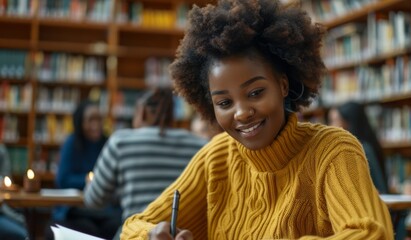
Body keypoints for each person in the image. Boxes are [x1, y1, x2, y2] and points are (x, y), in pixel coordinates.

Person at [121, 0, 394, 239]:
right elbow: (133, 226)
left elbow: (372, 233)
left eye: (255, 92)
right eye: (225, 103)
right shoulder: (215, 158)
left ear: (283, 85)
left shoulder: (333, 151)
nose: (241, 112)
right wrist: (152, 235)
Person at [83, 87, 208, 228]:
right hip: (183, 235)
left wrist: (90, 184)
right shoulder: (199, 145)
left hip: (137, 233)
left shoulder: (121, 142)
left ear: (141, 112)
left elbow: (94, 201)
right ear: (171, 114)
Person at [46, 100, 121, 240]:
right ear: (80, 122)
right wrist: (87, 179)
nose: (96, 124)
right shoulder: (72, 143)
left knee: (116, 226)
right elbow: (62, 179)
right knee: (87, 229)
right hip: (75, 209)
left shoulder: (107, 143)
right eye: (91, 119)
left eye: (99, 119)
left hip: (102, 209)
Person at [328, 101, 389, 194]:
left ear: (349, 122)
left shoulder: (363, 149)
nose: (331, 126)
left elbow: (381, 189)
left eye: (336, 120)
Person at [0, 144, 28, 240]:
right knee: (22, 234)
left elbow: (7, 182)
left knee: (24, 229)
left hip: (3, 211)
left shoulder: (1, 150)